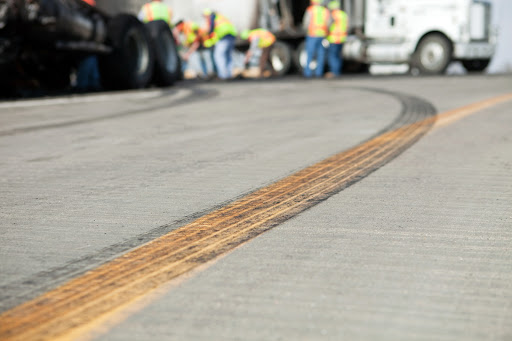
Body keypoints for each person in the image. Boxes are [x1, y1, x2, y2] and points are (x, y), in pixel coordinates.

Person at [202, 8, 237, 80]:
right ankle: (228, 74)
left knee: (219, 56)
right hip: (232, 35)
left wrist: (207, 40)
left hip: (223, 37)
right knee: (228, 56)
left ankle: (223, 75)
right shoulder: (221, 17)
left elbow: (211, 30)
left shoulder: (212, 18)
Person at [302, 0, 330, 78]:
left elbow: (306, 22)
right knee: (321, 54)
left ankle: (307, 73)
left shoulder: (311, 10)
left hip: (312, 34)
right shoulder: (325, 11)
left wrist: (305, 30)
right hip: (322, 35)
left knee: (310, 54)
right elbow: (328, 23)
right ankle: (319, 73)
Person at [325, 1, 348, 78]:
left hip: (333, 39)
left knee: (332, 56)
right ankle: (337, 71)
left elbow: (328, 25)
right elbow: (347, 26)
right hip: (342, 39)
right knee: (338, 56)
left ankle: (333, 72)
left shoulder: (333, 15)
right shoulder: (343, 14)